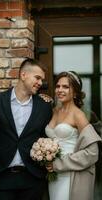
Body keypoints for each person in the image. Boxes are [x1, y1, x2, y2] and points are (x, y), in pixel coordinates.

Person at [0, 58, 53, 200]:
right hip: (0, 178)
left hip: (32, 179)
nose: (40, 83)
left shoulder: (44, 107)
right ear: (23, 75)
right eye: (37, 78)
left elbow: (46, 138)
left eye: (42, 79)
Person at [45, 71, 102, 200]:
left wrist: (58, 164)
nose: (60, 90)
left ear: (75, 92)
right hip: (53, 176)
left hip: (70, 175)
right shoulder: (54, 110)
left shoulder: (79, 115)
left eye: (65, 87)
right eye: (58, 86)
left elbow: (93, 153)